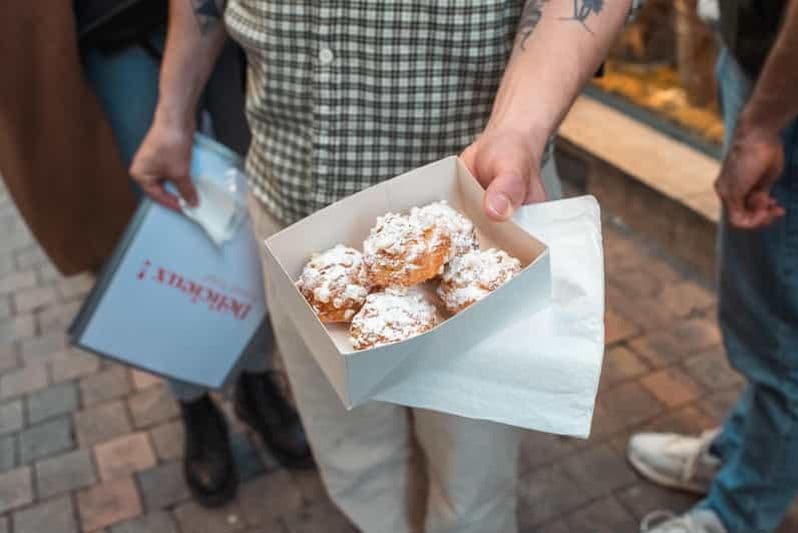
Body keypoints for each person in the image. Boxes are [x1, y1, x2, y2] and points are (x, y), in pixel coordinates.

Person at [131, 0, 640, 531]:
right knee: (350, 452)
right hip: (291, 207)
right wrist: (172, 113)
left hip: (479, 211)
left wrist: (518, 130)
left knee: (472, 474)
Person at [75, 0, 311, 508]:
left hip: (227, 21)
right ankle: (192, 399)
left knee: (248, 208)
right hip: (110, 25)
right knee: (158, 228)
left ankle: (256, 379)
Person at [628, 1, 798, 532]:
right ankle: (743, 452)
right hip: (765, 68)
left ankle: (739, 512)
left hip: (787, 99)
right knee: (767, 317)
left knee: (784, 335)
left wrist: (764, 123)